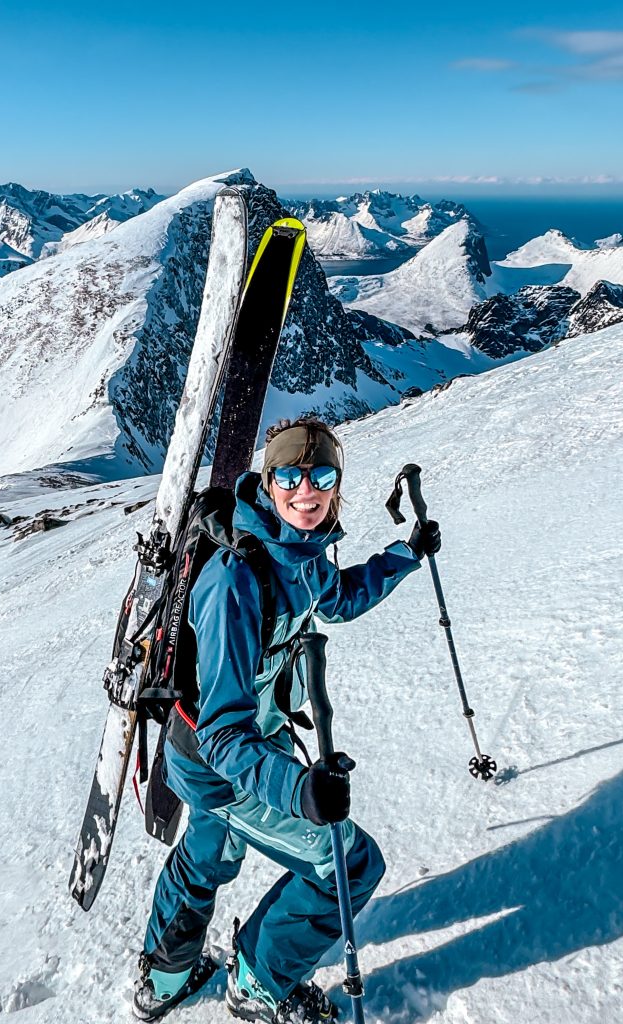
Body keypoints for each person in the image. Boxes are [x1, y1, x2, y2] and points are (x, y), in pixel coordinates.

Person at [133, 417, 441, 1023]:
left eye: (322, 475)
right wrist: (299, 791)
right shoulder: (234, 580)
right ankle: (255, 984)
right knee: (349, 865)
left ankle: (164, 978)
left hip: (228, 750)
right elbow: (223, 733)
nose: (308, 490)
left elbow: (339, 598)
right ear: (268, 481)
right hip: (219, 762)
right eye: (292, 476)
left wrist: (404, 555)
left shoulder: (296, 548)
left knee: (207, 854)